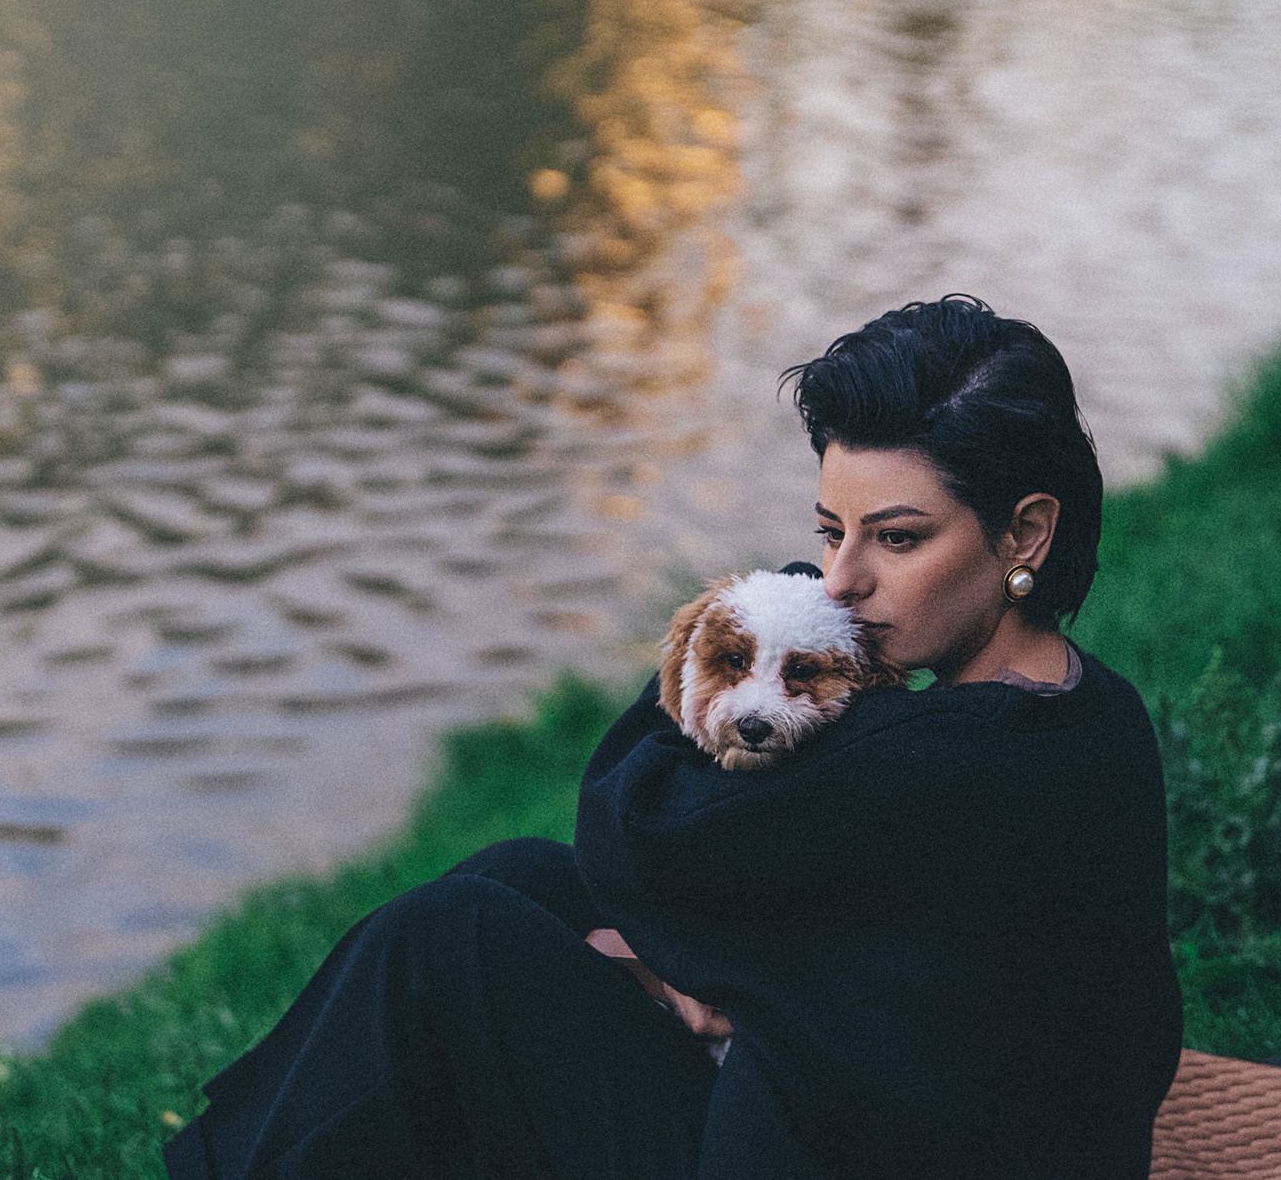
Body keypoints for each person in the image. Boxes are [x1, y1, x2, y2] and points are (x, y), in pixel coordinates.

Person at [163, 295, 1182, 1179]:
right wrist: (731, 976)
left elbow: (631, 821)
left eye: (898, 537)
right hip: (922, 1117)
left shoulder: (925, 758)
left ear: (1023, 533)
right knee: (523, 876)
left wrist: (741, 627)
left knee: (444, 944)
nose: (838, 582)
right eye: (829, 531)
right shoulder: (1091, 709)